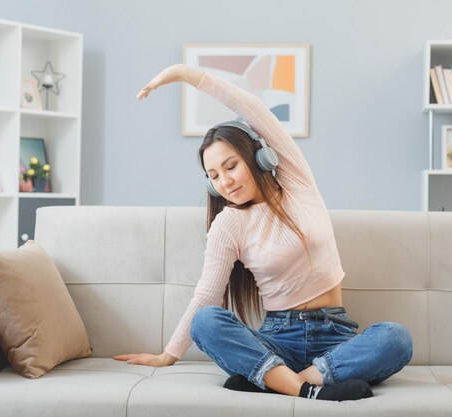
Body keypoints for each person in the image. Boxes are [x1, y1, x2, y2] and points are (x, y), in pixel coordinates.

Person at [114, 64, 413, 401]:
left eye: (231, 166)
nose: (224, 181)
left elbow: (251, 108)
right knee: (206, 321)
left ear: (258, 158)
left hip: (336, 336)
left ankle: (280, 381)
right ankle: (311, 389)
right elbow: (207, 296)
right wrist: (169, 353)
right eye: (213, 175)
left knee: (396, 338)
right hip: (276, 338)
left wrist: (182, 73)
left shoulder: (298, 185)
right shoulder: (228, 223)